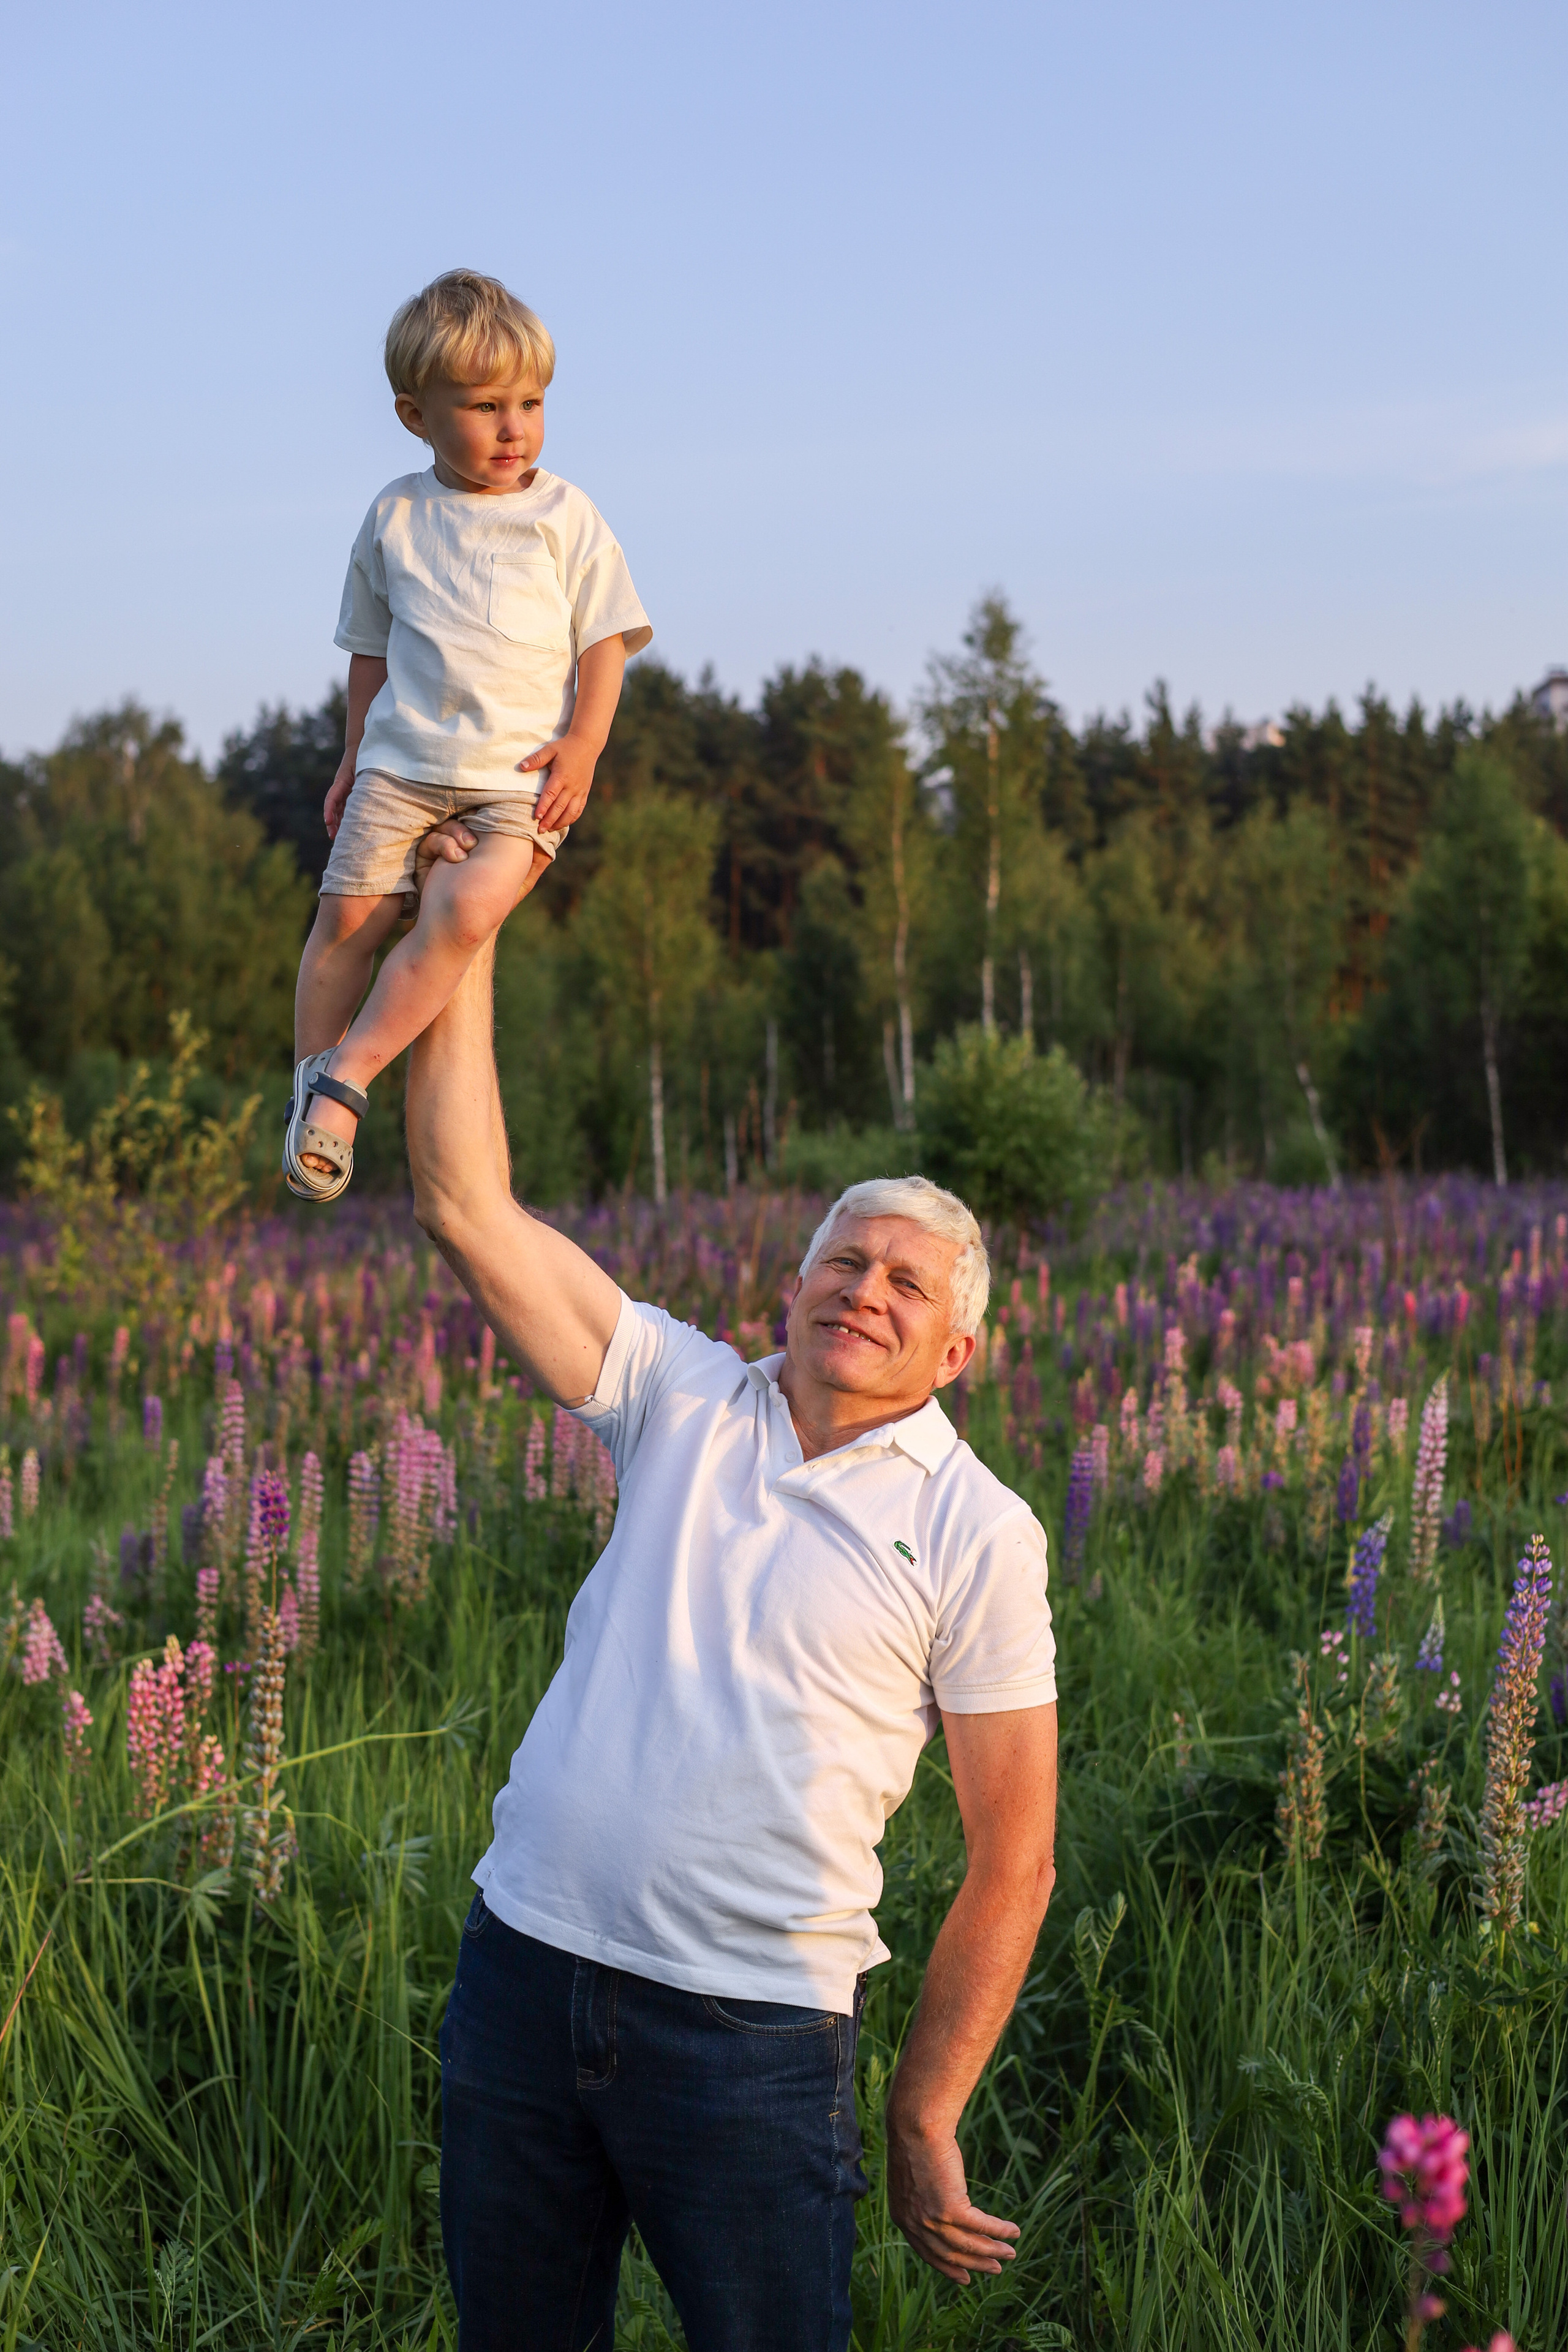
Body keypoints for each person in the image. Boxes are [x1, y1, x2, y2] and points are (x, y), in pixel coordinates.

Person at [403, 916, 1060, 2352]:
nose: (861, 1289)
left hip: (749, 2038)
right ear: (798, 1276)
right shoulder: (679, 1392)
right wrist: (468, 928)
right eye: (844, 1257)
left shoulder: (976, 1530)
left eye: (904, 1282)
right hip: (522, 1969)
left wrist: (925, 2109)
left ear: (956, 1351)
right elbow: (465, 1203)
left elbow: (1014, 1856)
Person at [282, 268, 651, 1202]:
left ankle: (349, 1079)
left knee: (465, 911)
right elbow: (371, 654)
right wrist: (351, 754)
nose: (514, 427)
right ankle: (307, 1092)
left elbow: (606, 640)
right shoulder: (396, 515)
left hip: (520, 782)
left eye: (530, 403)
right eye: (485, 407)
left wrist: (586, 745)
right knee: (347, 929)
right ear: (416, 416)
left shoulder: (566, 516)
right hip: (400, 771)